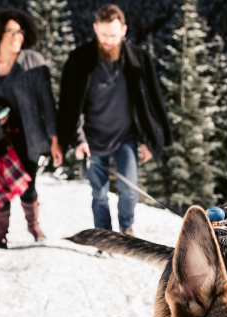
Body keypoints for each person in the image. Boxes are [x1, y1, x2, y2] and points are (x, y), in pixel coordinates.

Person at [57, 4, 171, 236]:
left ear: (124, 31)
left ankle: (126, 229)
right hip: (93, 139)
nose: (108, 40)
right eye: (103, 34)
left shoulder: (137, 60)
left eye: (113, 34)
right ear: (95, 28)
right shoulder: (80, 61)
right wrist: (78, 139)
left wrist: (148, 140)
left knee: (129, 191)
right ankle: (104, 235)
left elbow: (147, 104)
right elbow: (71, 105)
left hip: (126, 138)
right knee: (99, 193)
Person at [0, 9, 63, 248]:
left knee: (28, 185)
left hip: (29, 138)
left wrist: (54, 139)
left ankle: (34, 226)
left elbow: (47, 104)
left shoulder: (34, 63)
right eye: (11, 31)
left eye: (20, 31)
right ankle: (0, 236)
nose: (17, 36)